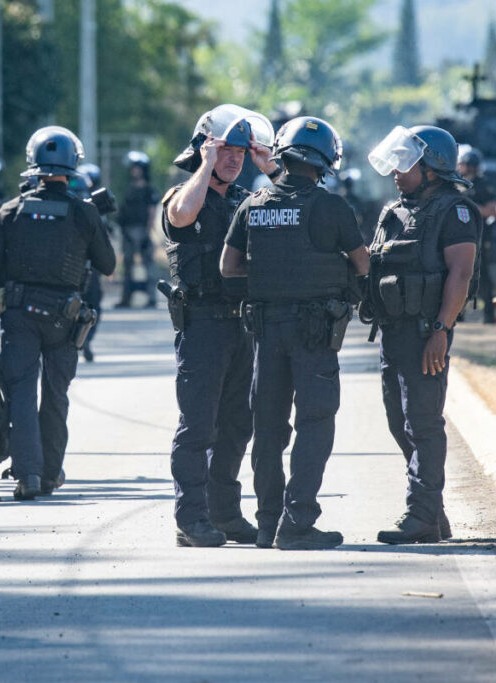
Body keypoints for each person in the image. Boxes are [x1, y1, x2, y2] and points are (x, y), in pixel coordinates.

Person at [221, 116, 369, 550]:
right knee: (315, 423)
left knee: (267, 427)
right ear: (325, 163)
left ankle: (267, 523)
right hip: (315, 332)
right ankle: (298, 521)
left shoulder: (253, 204)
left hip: (266, 331)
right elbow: (363, 265)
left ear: (282, 154)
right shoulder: (332, 207)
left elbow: (229, 267)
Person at [0, 126, 116, 500]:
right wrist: (96, 224)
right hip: (64, 319)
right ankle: (51, 474)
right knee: (56, 395)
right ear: (72, 168)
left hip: (20, 315)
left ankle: (29, 476)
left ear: (33, 166)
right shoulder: (83, 212)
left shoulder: (9, 211)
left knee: (20, 391)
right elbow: (108, 265)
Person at [162, 104, 278, 547]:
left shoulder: (243, 199)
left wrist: (271, 169)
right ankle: (190, 518)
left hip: (241, 326)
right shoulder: (180, 194)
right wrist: (205, 163)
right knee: (198, 426)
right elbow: (182, 217)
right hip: (202, 326)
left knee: (236, 425)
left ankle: (224, 514)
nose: (234, 159)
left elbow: (287, 209)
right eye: (225, 150)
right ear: (204, 149)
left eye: (239, 153)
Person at [365, 125, 480, 543]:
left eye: (406, 161)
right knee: (400, 423)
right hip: (393, 335)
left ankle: (420, 515)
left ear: (433, 166)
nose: (396, 170)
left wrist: (440, 330)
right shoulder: (394, 211)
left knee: (422, 423)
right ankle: (433, 513)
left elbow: (461, 273)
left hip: (425, 334)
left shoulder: (455, 211)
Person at [456, 145, 496, 323]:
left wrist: (471, 208)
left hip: (479, 238)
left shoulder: (482, 185)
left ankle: (489, 316)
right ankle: (458, 314)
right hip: (457, 238)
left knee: (482, 278)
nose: (462, 168)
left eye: (465, 164)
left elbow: (492, 210)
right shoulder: (455, 184)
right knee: (457, 276)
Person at [73, 163, 109, 363]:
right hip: (86, 269)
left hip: (72, 270)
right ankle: (83, 339)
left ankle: (82, 340)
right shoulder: (90, 211)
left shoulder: (92, 211)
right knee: (93, 306)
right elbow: (107, 260)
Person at [116, 150, 159, 308]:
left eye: (137, 168)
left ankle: (151, 298)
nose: (134, 171)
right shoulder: (128, 189)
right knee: (127, 266)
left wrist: (148, 232)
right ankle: (126, 298)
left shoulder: (149, 190)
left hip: (142, 231)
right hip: (127, 231)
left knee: (148, 266)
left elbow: (151, 212)